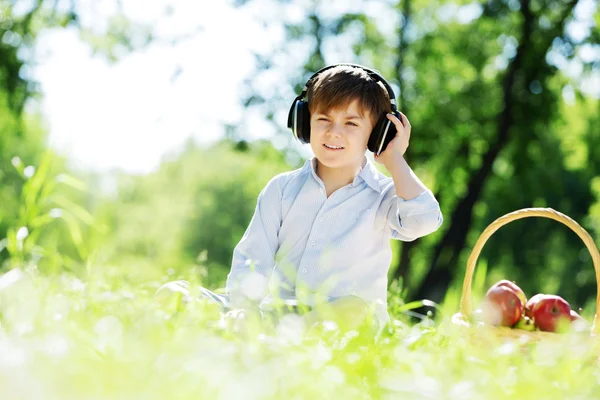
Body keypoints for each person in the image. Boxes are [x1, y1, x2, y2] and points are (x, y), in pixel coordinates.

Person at [156, 64, 442, 332]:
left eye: (351, 124)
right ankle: (260, 333)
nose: (333, 132)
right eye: (323, 119)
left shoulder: (385, 196)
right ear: (305, 123)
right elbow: (252, 259)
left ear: (377, 133)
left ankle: (274, 338)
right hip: (276, 317)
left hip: (342, 322)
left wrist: (393, 159)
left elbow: (425, 220)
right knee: (174, 293)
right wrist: (242, 309)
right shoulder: (282, 190)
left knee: (357, 309)